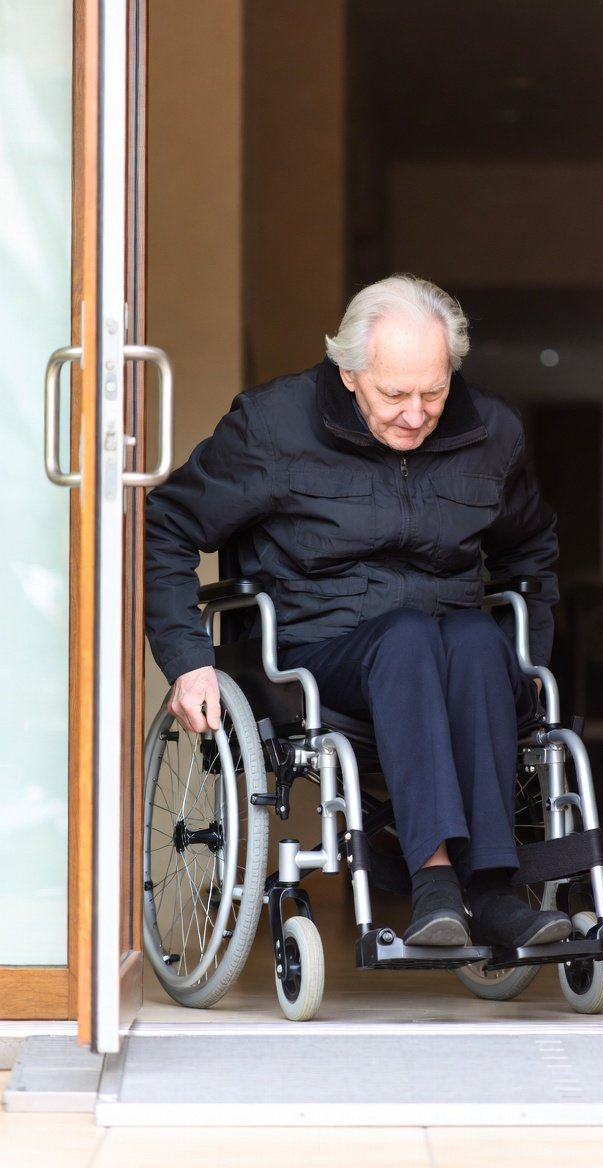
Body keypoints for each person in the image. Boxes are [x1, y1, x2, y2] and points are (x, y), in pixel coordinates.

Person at [145, 274, 571, 950]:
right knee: (406, 637)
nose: (416, 413)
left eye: (434, 392)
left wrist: (534, 660)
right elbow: (166, 524)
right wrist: (188, 660)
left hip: (455, 655)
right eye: (394, 394)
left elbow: (532, 549)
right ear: (349, 373)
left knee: (479, 640)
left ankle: (491, 890)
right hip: (320, 655)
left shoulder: (492, 431)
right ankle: (434, 885)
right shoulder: (273, 426)